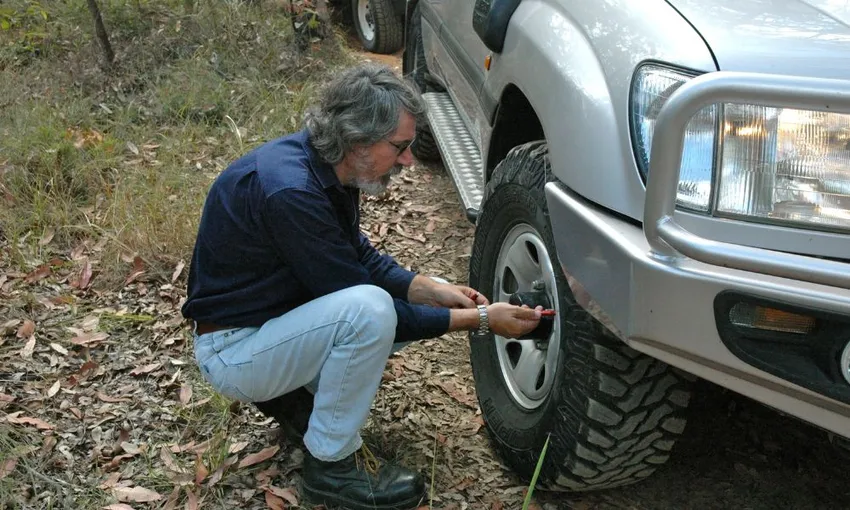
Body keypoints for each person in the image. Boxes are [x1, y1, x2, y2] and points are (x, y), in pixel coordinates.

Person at [181, 63, 544, 510]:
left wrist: (427, 288)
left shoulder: (327, 167)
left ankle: (296, 400)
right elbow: (369, 305)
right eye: (400, 146)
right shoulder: (293, 193)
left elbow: (358, 257)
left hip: (266, 326)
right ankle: (329, 470)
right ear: (357, 139)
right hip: (234, 351)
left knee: (378, 310)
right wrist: (481, 320)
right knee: (371, 315)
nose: (409, 159)